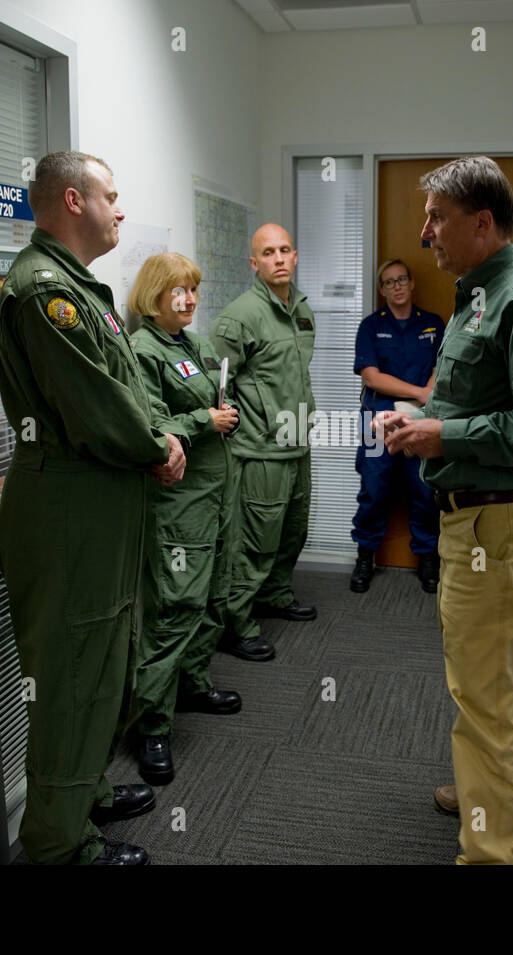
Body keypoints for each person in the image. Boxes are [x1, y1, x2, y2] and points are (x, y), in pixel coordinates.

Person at [374, 156, 513, 865]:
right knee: (505, 672)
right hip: (481, 513)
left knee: (482, 689)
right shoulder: (477, 294)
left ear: (482, 223)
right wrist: (422, 417)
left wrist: (445, 433)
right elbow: (470, 398)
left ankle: (492, 851)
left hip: (497, 519)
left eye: (437, 217)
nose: (424, 231)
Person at [0, 151, 186, 866]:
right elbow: (98, 408)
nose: (121, 207)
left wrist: (155, 435)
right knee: (71, 676)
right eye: (111, 194)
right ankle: (54, 842)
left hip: (98, 505)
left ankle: (84, 792)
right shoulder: (47, 293)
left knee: (104, 661)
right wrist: (156, 444)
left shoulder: (80, 288)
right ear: (73, 201)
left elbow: (123, 386)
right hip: (70, 506)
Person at [127, 252, 242, 785]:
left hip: (215, 494)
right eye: (179, 291)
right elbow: (149, 426)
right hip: (180, 504)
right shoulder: (143, 349)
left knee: (213, 594)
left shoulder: (189, 344)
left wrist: (224, 413)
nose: (190, 299)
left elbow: (214, 400)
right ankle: (150, 725)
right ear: (155, 294)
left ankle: (193, 683)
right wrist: (206, 419)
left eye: (194, 290)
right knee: (176, 608)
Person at [209, 223, 318, 661]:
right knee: (254, 543)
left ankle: (275, 594)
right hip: (259, 451)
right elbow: (217, 385)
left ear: (295, 256)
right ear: (254, 263)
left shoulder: (302, 308)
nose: (278, 258)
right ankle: (237, 625)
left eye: (284, 250)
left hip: (297, 443)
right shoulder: (238, 317)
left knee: (293, 532)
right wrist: (242, 426)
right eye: (268, 252)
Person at [349, 259, 443, 593]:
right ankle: (365, 557)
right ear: (381, 290)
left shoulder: (432, 324)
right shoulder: (371, 326)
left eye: (402, 279)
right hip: (378, 419)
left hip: (421, 419)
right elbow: (371, 376)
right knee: (374, 489)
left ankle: (428, 558)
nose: (397, 286)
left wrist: (428, 394)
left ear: (412, 283)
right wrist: (420, 391)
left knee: (424, 490)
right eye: (389, 282)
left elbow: (441, 367)